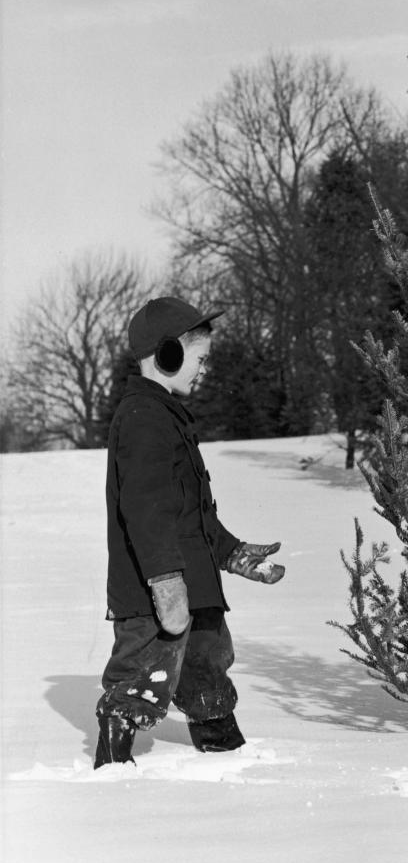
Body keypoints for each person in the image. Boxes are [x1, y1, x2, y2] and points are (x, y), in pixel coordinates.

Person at [94, 296, 285, 769]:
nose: (203, 370)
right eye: (199, 359)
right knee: (142, 679)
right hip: (153, 593)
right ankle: (111, 774)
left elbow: (189, 515)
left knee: (207, 675)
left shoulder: (168, 416)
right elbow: (146, 511)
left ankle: (226, 757)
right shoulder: (142, 419)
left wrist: (232, 552)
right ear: (168, 354)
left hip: (194, 587)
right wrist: (164, 581)